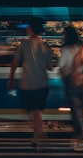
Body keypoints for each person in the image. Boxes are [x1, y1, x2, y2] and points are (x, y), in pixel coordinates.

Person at [8, 16, 53, 150]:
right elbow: (50, 67)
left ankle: (37, 135)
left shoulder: (24, 44)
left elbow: (15, 62)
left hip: (27, 84)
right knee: (37, 111)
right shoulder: (45, 45)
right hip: (42, 83)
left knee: (28, 111)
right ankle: (38, 134)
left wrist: (11, 78)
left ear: (30, 29)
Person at [58, 25, 83, 152]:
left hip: (71, 83)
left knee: (75, 113)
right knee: (80, 112)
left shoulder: (66, 50)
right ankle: (78, 136)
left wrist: (66, 80)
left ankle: (81, 139)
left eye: (64, 34)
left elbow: (61, 68)